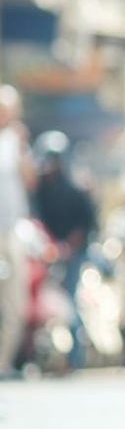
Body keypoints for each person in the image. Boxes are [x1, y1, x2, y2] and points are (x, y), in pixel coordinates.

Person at [33, 130, 97, 371]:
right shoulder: (40, 190)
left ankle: (75, 359)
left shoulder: (76, 187)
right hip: (47, 251)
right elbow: (37, 220)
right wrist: (48, 246)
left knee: (71, 301)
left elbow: (86, 223)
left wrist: (68, 247)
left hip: (74, 252)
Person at [0, 85, 36, 378]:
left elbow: (30, 182)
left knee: (15, 302)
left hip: (11, 231)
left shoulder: (16, 141)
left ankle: (4, 362)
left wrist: (23, 148)